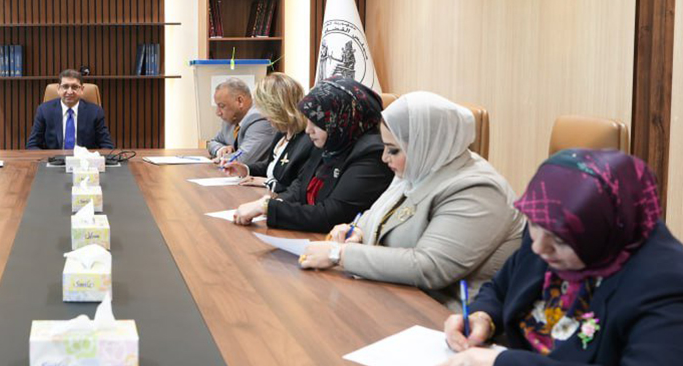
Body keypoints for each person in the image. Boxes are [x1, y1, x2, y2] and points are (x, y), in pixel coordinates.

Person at [440, 149, 683, 366]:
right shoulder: (551, 223)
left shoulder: (665, 283)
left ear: (605, 230)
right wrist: (482, 317)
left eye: (560, 241)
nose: (539, 248)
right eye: (533, 224)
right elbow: (501, 289)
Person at [298, 92, 524, 308]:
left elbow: (429, 267)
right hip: (393, 295)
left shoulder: (478, 190)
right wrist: (355, 230)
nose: (384, 157)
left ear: (425, 144)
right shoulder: (420, 167)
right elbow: (374, 216)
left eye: (393, 150)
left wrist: (339, 254)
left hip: (445, 315)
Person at [233, 78, 391, 232]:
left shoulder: (371, 155)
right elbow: (299, 186)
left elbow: (330, 215)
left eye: (316, 123)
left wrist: (268, 207)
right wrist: (272, 202)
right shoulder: (333, 142)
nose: (308, 130)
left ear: (341, 118)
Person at [219, 73, 314, 193]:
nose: (263, 115)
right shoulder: (282, 133)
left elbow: (299, 189)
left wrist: (268, 183)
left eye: (265, 109)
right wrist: (245, 169)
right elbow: (272, 167)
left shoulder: (308, 140)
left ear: (278, 107)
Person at [26, 69, 115, 150]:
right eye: (65, 86)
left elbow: (107, 146)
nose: (69, 92)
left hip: (84, 161)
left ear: (82, 89)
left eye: (74, 87)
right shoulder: (44, 110)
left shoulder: (95, 112)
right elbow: (32, 145)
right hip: (54, 160)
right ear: (58, 89)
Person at [206, 78, 274, 167]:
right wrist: (221, 149)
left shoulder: (261, 119)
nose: (218, 113)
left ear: (240, 101)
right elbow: (212, 142)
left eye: (222, 106)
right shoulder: (232, 119)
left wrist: (222, 158)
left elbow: (242, 160)